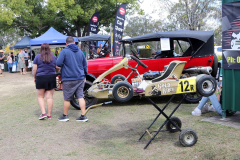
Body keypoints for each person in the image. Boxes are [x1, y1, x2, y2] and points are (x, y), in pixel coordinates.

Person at [56, 36, 88, 122]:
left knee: (67, 98)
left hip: (68, 78)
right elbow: (85, 65)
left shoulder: (64, 51)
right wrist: (85, 76)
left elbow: (58, 63)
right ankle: (83, 116)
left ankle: (65, 116)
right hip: (80, 77)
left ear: (66, 44)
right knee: (80, 97)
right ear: (74, 43)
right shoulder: (81, 52)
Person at [32, 43, 58, 120]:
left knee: (40, 96)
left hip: (40, 77)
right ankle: (49, 115)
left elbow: (34, 69)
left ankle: (43, 113)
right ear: (49, 48)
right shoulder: (53, 57)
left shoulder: (37, 57)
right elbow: (57, 67)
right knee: (49, 97)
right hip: (51, 77)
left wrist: (35, 77)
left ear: (41, 49)